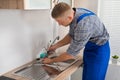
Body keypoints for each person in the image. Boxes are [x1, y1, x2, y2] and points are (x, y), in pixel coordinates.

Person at [43, 2, 110, 80]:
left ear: (69, 18)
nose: (59, 24)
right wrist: (55, 46)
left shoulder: (83, 25)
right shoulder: (74, 13)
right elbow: (71, 36)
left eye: (60, 21)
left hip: (99, 52)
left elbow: (70, 54)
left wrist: (50, 61)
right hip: (89, 49)